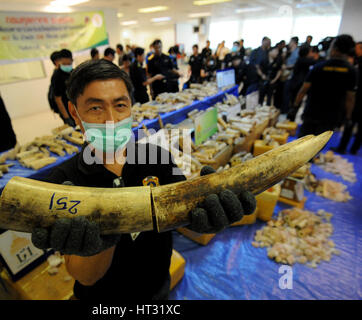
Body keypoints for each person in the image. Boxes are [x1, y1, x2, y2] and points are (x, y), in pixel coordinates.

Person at [30, 59, 256, 300]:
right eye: (95, 108)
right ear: (75, 113)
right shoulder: (65, 182)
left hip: (157, 289)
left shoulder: (157, 158)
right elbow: (84, 276)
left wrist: (203, 218)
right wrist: (105, 235)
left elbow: (181, 214)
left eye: (119, 105)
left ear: (131, 107)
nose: (111, 120)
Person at [288, 35, 357, 137]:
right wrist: (348, 117)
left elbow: (304, 89)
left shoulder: (319, 67)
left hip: (312, 112)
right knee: (319, 143)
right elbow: (350, 97)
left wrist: (295, 106)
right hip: (332, 115)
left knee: (302, 143)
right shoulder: (351, 71)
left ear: (335, 49)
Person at [334, 42, 362, 155]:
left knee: (350, 123)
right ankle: (354, 149)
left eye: (356, 47)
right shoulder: (356, 61)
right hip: (357, 98)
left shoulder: (357, 65)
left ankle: (343, 147)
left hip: (357, 99)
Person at [49, 49, 76, 127]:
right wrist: (66, 117)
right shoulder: (56, 76)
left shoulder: (74, 72)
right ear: (60, 61)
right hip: (66, 109)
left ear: (72, 60)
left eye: (69, 63)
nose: (67, 66)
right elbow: (58, 99)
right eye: (64, 64)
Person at [287, 45, 316, 113]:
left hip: (296, 85)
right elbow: (316, 62)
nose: (312, 53)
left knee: (295, 104)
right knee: (295, 104)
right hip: (297, 86)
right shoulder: (303, 60)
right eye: (311, 52)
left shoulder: (301, 60)